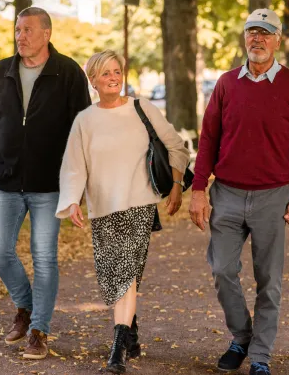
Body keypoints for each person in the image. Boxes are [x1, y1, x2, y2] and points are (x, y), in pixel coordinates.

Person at [0, 7, 91, 360]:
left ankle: (38, 330)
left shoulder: (68, 73)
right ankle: (25, 306)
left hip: (50, 186)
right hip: (4, 181)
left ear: (46, 33)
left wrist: (78, 186)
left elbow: (82, 133)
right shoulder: (1, 71)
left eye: (28, 30)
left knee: (45, 259)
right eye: (18, 30)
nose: (21, 36)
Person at [189, 9, 289, 375]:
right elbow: (209, 137)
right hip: (226, 193)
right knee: (222, 269)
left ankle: (260, 355)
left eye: (265, 33)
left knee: (269, 281)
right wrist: (199, 188)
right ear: (244, 38)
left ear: (278, 40)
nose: (257, 39)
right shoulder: (227, 83)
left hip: (273, 196)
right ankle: (242, 335)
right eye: (251, 32)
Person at [56, 50, 189, 374]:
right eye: (105, 73)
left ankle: (117, 350)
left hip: (139, 204)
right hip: (103, 208)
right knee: (114, 275)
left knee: (126, 275)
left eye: (117, 71)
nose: (113, 77)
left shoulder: (142, 108)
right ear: (94, 81)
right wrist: (72, 200)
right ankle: (131, 332)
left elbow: (175, 146)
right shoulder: (85, 121)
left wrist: (175, 185)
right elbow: (74, 166)